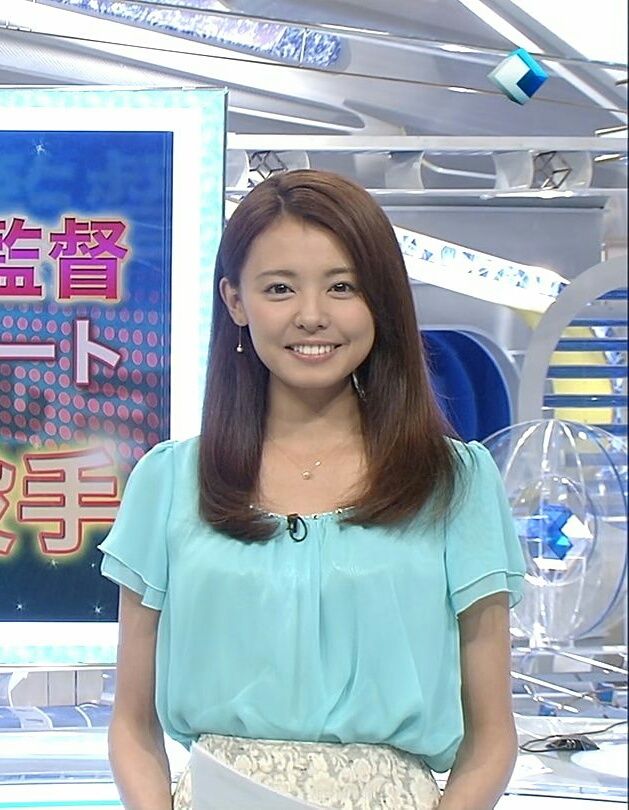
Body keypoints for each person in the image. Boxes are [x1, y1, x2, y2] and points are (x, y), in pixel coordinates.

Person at [99, 169, 526, 810]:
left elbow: (491, 739)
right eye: (279, 288)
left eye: (342, 286)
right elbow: (132, 726)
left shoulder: (455, 482)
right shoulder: (169, 482)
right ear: (235, 301)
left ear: (380, 300)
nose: (311, 316)